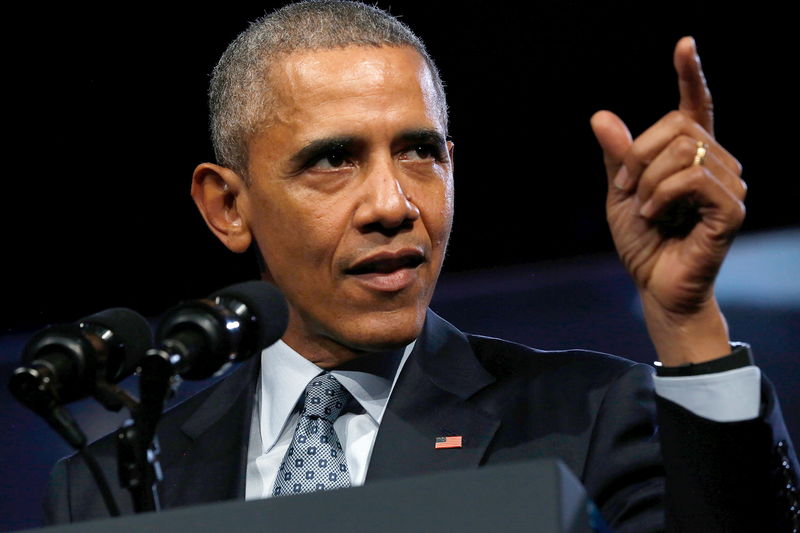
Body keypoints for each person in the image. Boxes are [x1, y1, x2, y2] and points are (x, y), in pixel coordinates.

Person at [45, 1, 798, 531]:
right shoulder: (106, 485)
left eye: (419, 152)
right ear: (227, 206)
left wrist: (685, 319)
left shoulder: (592, 414)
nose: (394, 203)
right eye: (334, 159)